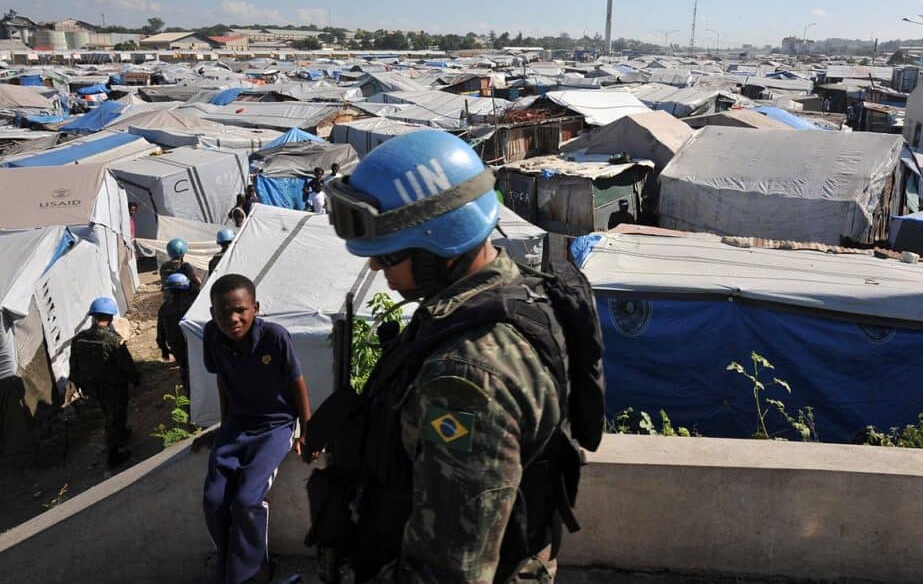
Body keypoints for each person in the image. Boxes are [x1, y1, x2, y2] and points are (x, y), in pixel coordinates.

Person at [312, 130, 602, 582]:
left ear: (437, 242)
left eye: (388, 256)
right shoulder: (520, 292)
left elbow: (449, 573)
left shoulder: (468, 380)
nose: (374, 267)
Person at [201, 274, 313, 584]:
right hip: (238, 424)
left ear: (256, 308)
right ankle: (226, 561)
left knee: (246, 499)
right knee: (213, 499)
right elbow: (222, 379)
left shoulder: (274, 337)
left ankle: (253, 572)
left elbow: (297, 382)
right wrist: (223, 427)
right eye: (223, 312)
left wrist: (306, 430)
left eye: (240, 310)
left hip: (275, 426)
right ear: (212, 314)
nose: (232, 319)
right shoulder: (212, 335)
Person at [69, 297, 140, 470]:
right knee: (115, 415)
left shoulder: (79, 338)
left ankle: (121, 434)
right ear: (110, 317)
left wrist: (77, 383)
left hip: (92, 386)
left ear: (93, 316)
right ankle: (114, 455)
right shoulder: (113, 340)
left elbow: (74, 364)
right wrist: (135, 380)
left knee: (108, 412)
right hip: (114, 386)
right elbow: (126, 364)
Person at [156, 273, 197, 394]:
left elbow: (161, 332)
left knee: (184, 369)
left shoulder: (165, 308)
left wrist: (163, 349)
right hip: (194, 343)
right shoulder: (193, 305)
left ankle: (189, 394)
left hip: (177, 346)